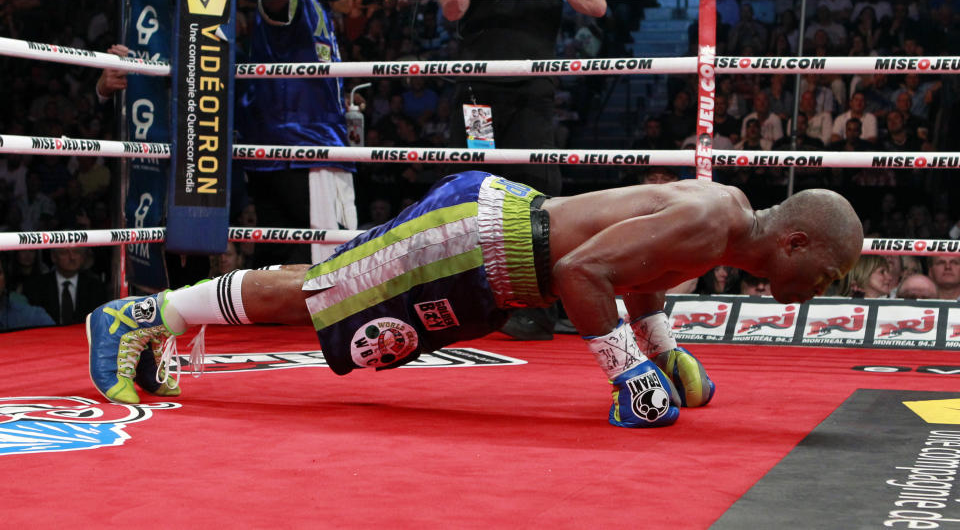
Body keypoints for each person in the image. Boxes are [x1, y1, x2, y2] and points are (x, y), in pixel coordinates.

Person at [87, 171, 863, 429]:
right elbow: (585, 275)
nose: (816, 294)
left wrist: (666, 353)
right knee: (318, 296)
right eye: (825, 277)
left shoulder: (721, 220)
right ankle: (142, 315)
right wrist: (628, 374)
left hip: (493, 257)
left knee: (329, 305)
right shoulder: (711, 220)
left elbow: (636, 274)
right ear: (793, 244)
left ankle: (161, 323)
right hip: (483, 243)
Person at [439, 0, 605, 340]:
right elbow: (452, 9)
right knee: (476, 187)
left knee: (535, 190)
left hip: (531, 87)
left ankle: (539, 310)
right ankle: (476, 302)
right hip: (478, 92)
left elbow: (596, 5)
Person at [236, 0, 359, 267]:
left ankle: (266, 316)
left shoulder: (324, 11)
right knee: (313, 252)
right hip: (299, 146)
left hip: (305, 144)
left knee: (283, 248)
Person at [24, 248, 106, 325]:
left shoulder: (95, 286)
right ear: (53, 257)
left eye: (77, 252)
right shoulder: (37, 286)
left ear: (83, 256)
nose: (72, 257)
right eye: (64, 253)